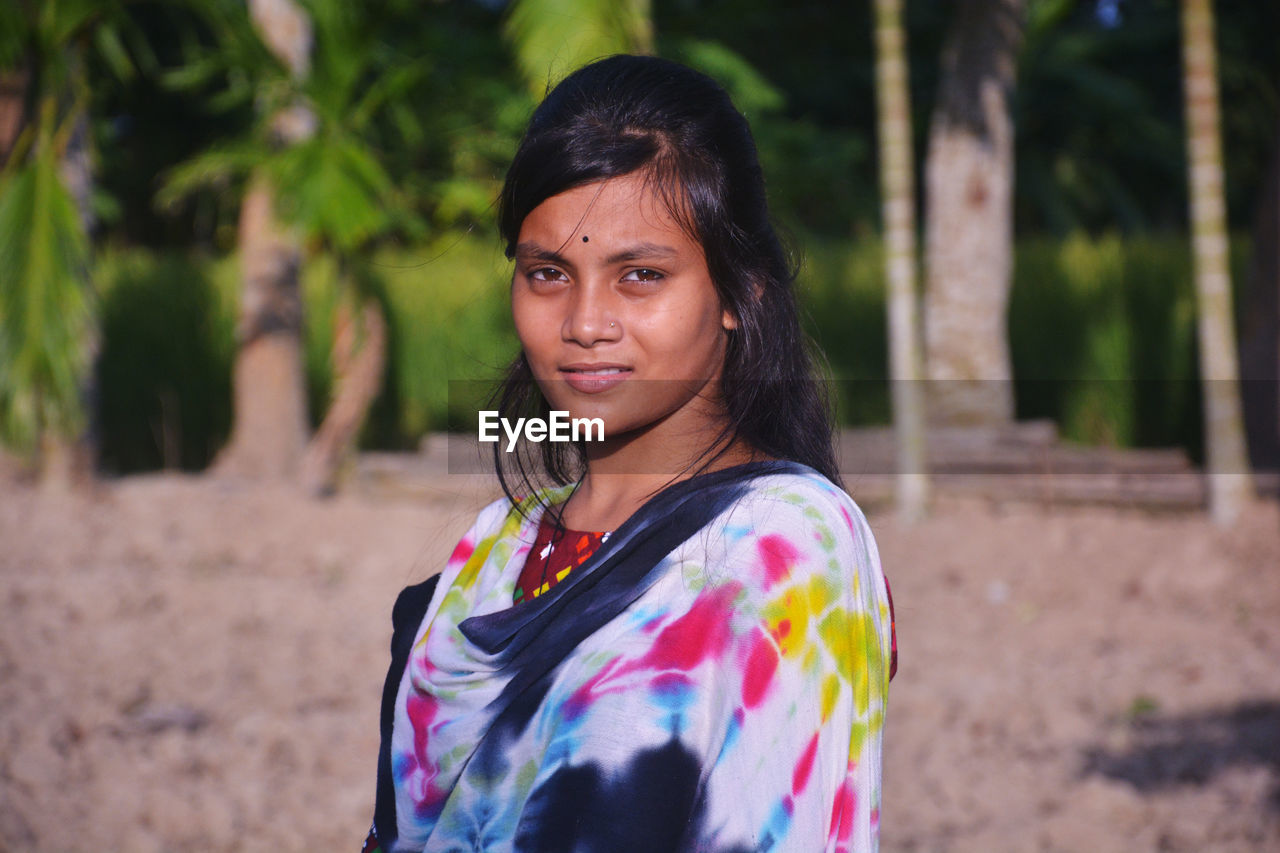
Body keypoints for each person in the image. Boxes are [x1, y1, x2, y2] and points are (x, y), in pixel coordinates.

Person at [363, 54, 895, 853]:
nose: (585, 322)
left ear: (738, 294)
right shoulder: (496, 551)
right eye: (548, 273)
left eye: (640, 275)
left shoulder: (779, 548)